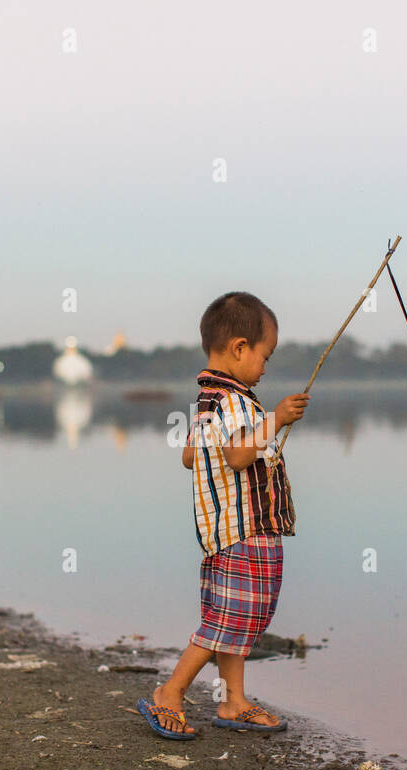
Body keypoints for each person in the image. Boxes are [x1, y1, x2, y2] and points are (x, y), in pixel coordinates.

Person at [136, 292, 309, 739]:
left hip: (220, 530)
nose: (265, 368)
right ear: (238, 348)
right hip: (244, 528)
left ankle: (233, 700)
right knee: (229, 619)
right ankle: (170, 693)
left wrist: (252, 433)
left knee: (234, 614)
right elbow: (234, 455)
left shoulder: (209, 400)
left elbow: (191, 456)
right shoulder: (235, 403)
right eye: (264, 357)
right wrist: (277, 420)